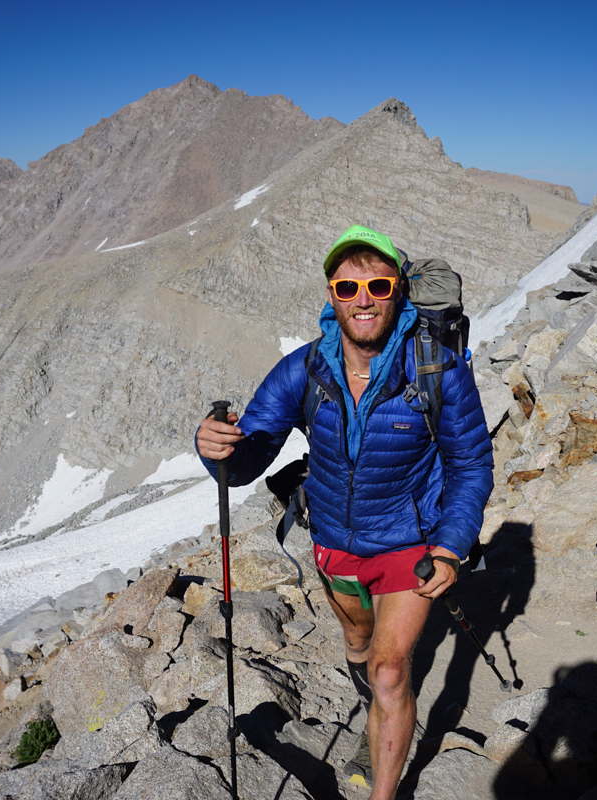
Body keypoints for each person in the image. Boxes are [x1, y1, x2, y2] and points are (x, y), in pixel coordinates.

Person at [196, 224, 494, 800]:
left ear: (398, 291)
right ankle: (374, 715)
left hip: (412, 544)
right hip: (335, 544)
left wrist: (452, 545)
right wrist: (217, 450)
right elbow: (252, 454)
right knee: (358, 646)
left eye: (379, 286)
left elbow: (471, 464)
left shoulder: (436, 371)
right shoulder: (305, 369)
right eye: (348, 286)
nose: (363, 299)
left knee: (388, 669)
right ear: (331, 293)